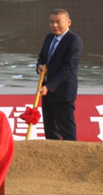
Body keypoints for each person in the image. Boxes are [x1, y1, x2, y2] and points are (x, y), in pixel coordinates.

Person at [36, 9, 84, 141]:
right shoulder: (49, 37)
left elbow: (68, 69)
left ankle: (72, 153)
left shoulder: (74, 41)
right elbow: (42, 57)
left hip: (63, 92)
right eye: (52, 22)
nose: (54, 25)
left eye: (58, 22)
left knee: (67, 131)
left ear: (69, 22)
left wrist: (49, 86)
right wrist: (39, 66)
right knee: (50, 130)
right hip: (47, 91)